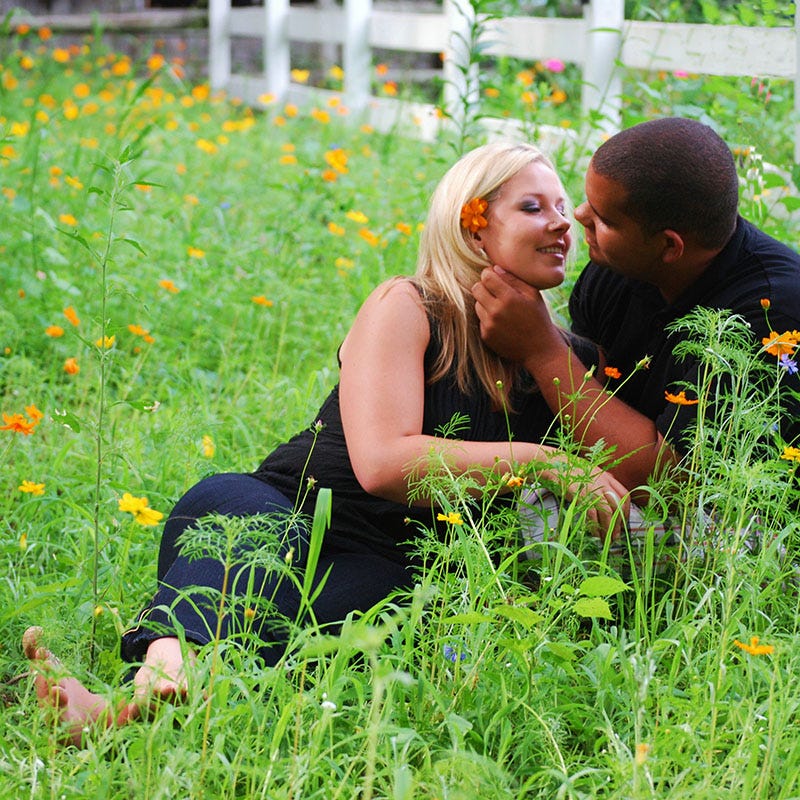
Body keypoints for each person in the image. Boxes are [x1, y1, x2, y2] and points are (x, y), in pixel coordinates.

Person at [24, 140, 629, 745]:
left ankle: (126, 714)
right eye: (533, 207)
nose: (562, 222)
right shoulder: (411, 305)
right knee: (249, 540)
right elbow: (383, 462)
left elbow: (630, 468)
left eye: (561, 206)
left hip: (400, 561)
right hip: (295, 507)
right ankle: (162, 677)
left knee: (344, 626)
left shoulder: (563, 359)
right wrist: (546, 461)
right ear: (473, 228)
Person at [472, 117, 800, 494]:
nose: (576, 217)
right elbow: (578, 402)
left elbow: (675, 482)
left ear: (668, 247)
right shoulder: (616, 270)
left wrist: (542, 351)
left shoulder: (772, 316)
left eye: (603, 218)